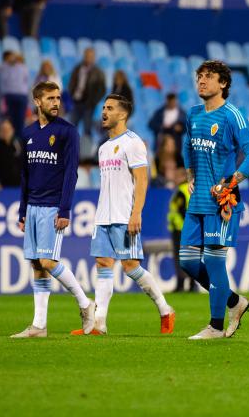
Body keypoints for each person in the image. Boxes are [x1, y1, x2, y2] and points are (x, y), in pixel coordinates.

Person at [70, 94, 175, 336]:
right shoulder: (104, 147)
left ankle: (165, 308)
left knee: (130, 267)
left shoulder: (134, 142)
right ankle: (99, 323)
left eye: (110, 108)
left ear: (123, 114)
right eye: (103, 107)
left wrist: (136, 212)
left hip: (123, 215)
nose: (104, 112)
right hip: (103, 216)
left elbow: (142, 180)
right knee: (103, 263)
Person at [180, 60, 249, 340]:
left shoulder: (232, 115)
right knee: (188, 261)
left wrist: (231, 181)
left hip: (221, 203)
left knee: (214, 262)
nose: (201, 81)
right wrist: (190, 172)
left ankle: (216, 326)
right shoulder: (193, 114)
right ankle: (235, 302)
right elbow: (187, 144)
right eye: (199, 76)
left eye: (209, 77)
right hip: (198, 201)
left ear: (223, 84)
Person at [10, 81, 95, 338]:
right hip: (33, 206)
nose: (56, 102)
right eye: (50, 98)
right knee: (37, 264)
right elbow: (25, 174)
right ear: (37, 102)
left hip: (52, 206)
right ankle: (39, 325)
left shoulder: (68, 132)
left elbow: (71, 173)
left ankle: (84, 303)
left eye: (58, 98)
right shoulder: (27, 134)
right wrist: (23, 210)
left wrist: (65, 209)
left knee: (48, 261)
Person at [68, 47, 106, 136]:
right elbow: (72, 83)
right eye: (87, 56)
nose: (88, 58)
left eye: (91, 56)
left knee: (87, 129)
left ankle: (86, 148)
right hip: (76, 102)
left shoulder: (98, 72)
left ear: (94, 57)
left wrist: (93, 102)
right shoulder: (78, 68)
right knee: (72, 127)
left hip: (89, 105)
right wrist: (72, 94)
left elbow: (102, 90)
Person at [167, 168, 193, 292]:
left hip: (180, 229)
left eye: (177, 175)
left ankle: (181, 285)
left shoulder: (181, 191)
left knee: (180, 258)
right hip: (191, 229)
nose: (175, 178)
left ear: (183, 176)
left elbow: (181, 210)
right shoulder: (191, 189)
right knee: (192, 257)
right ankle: (193, 285)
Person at [0, 51, 30, 136]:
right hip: (19, 96)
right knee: (18, 121)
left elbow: (2, 82)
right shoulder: (23, 68)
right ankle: (17, 142)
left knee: (12, 120)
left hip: (11, 96)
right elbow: (26, 82)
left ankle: (14, 142)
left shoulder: (4, 67)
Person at [0, 118, 22, 188]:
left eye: (8, 130)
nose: (6, 132)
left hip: (18, 184)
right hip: (2, 185)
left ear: (12, 130)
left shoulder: (18, 144)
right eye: (3, 130)